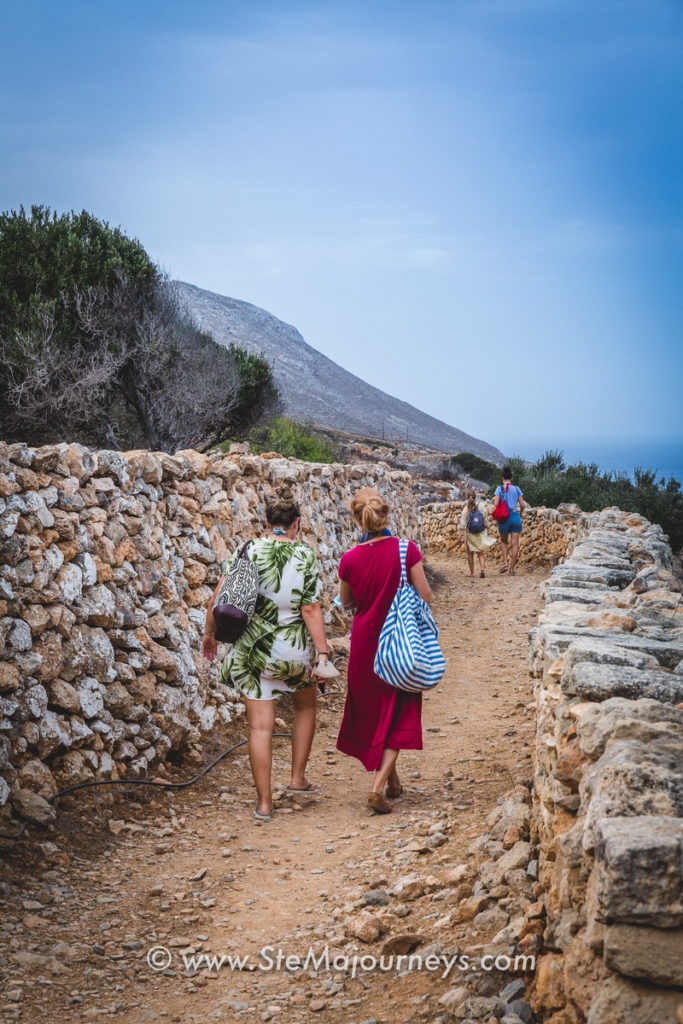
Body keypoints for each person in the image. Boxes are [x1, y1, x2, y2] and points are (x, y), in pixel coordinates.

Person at [202, 487, 331, 822]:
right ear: (297, 524)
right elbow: (311, 608)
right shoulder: (304, 555)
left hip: (251, 651)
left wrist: (209, 634)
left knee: (260, 728)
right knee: (305, 707)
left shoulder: (247, 550)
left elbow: (219, 596)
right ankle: (297, 780)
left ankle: (264, 804)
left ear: (266, 522)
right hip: (293, 652)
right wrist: (323, 652)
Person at [335, 487, 433, 815]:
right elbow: (426, 595)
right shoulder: (406, 550)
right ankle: (377, 788)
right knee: (399, 710)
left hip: (365, 644)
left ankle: (393, 782)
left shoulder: (349, 559)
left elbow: (347, 602)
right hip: (400, 643)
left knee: (377, 711)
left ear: (357, 519)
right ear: (385, 515)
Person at [493, 466, 526, 576]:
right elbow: (522, 504)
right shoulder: (517, 489)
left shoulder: (499, 488)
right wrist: (520, 513)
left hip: (504, 517)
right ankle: (512, 569)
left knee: (504, 541)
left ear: (502, 478)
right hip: (515, 516)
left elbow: (496, 504)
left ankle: (505, 563)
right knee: (515, 544)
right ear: (511, 478)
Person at [459, 488, 497, 578]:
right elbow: (485, 519)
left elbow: (462, 523)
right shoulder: (481, 506)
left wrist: (460, 534)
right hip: (480, 532)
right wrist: (487, 527)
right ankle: (482, 570)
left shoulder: (466, 508)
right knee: (480, 552)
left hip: (470, 534)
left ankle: (472, 573)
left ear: (467, 497)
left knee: (470, 554)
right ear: (475, 497)